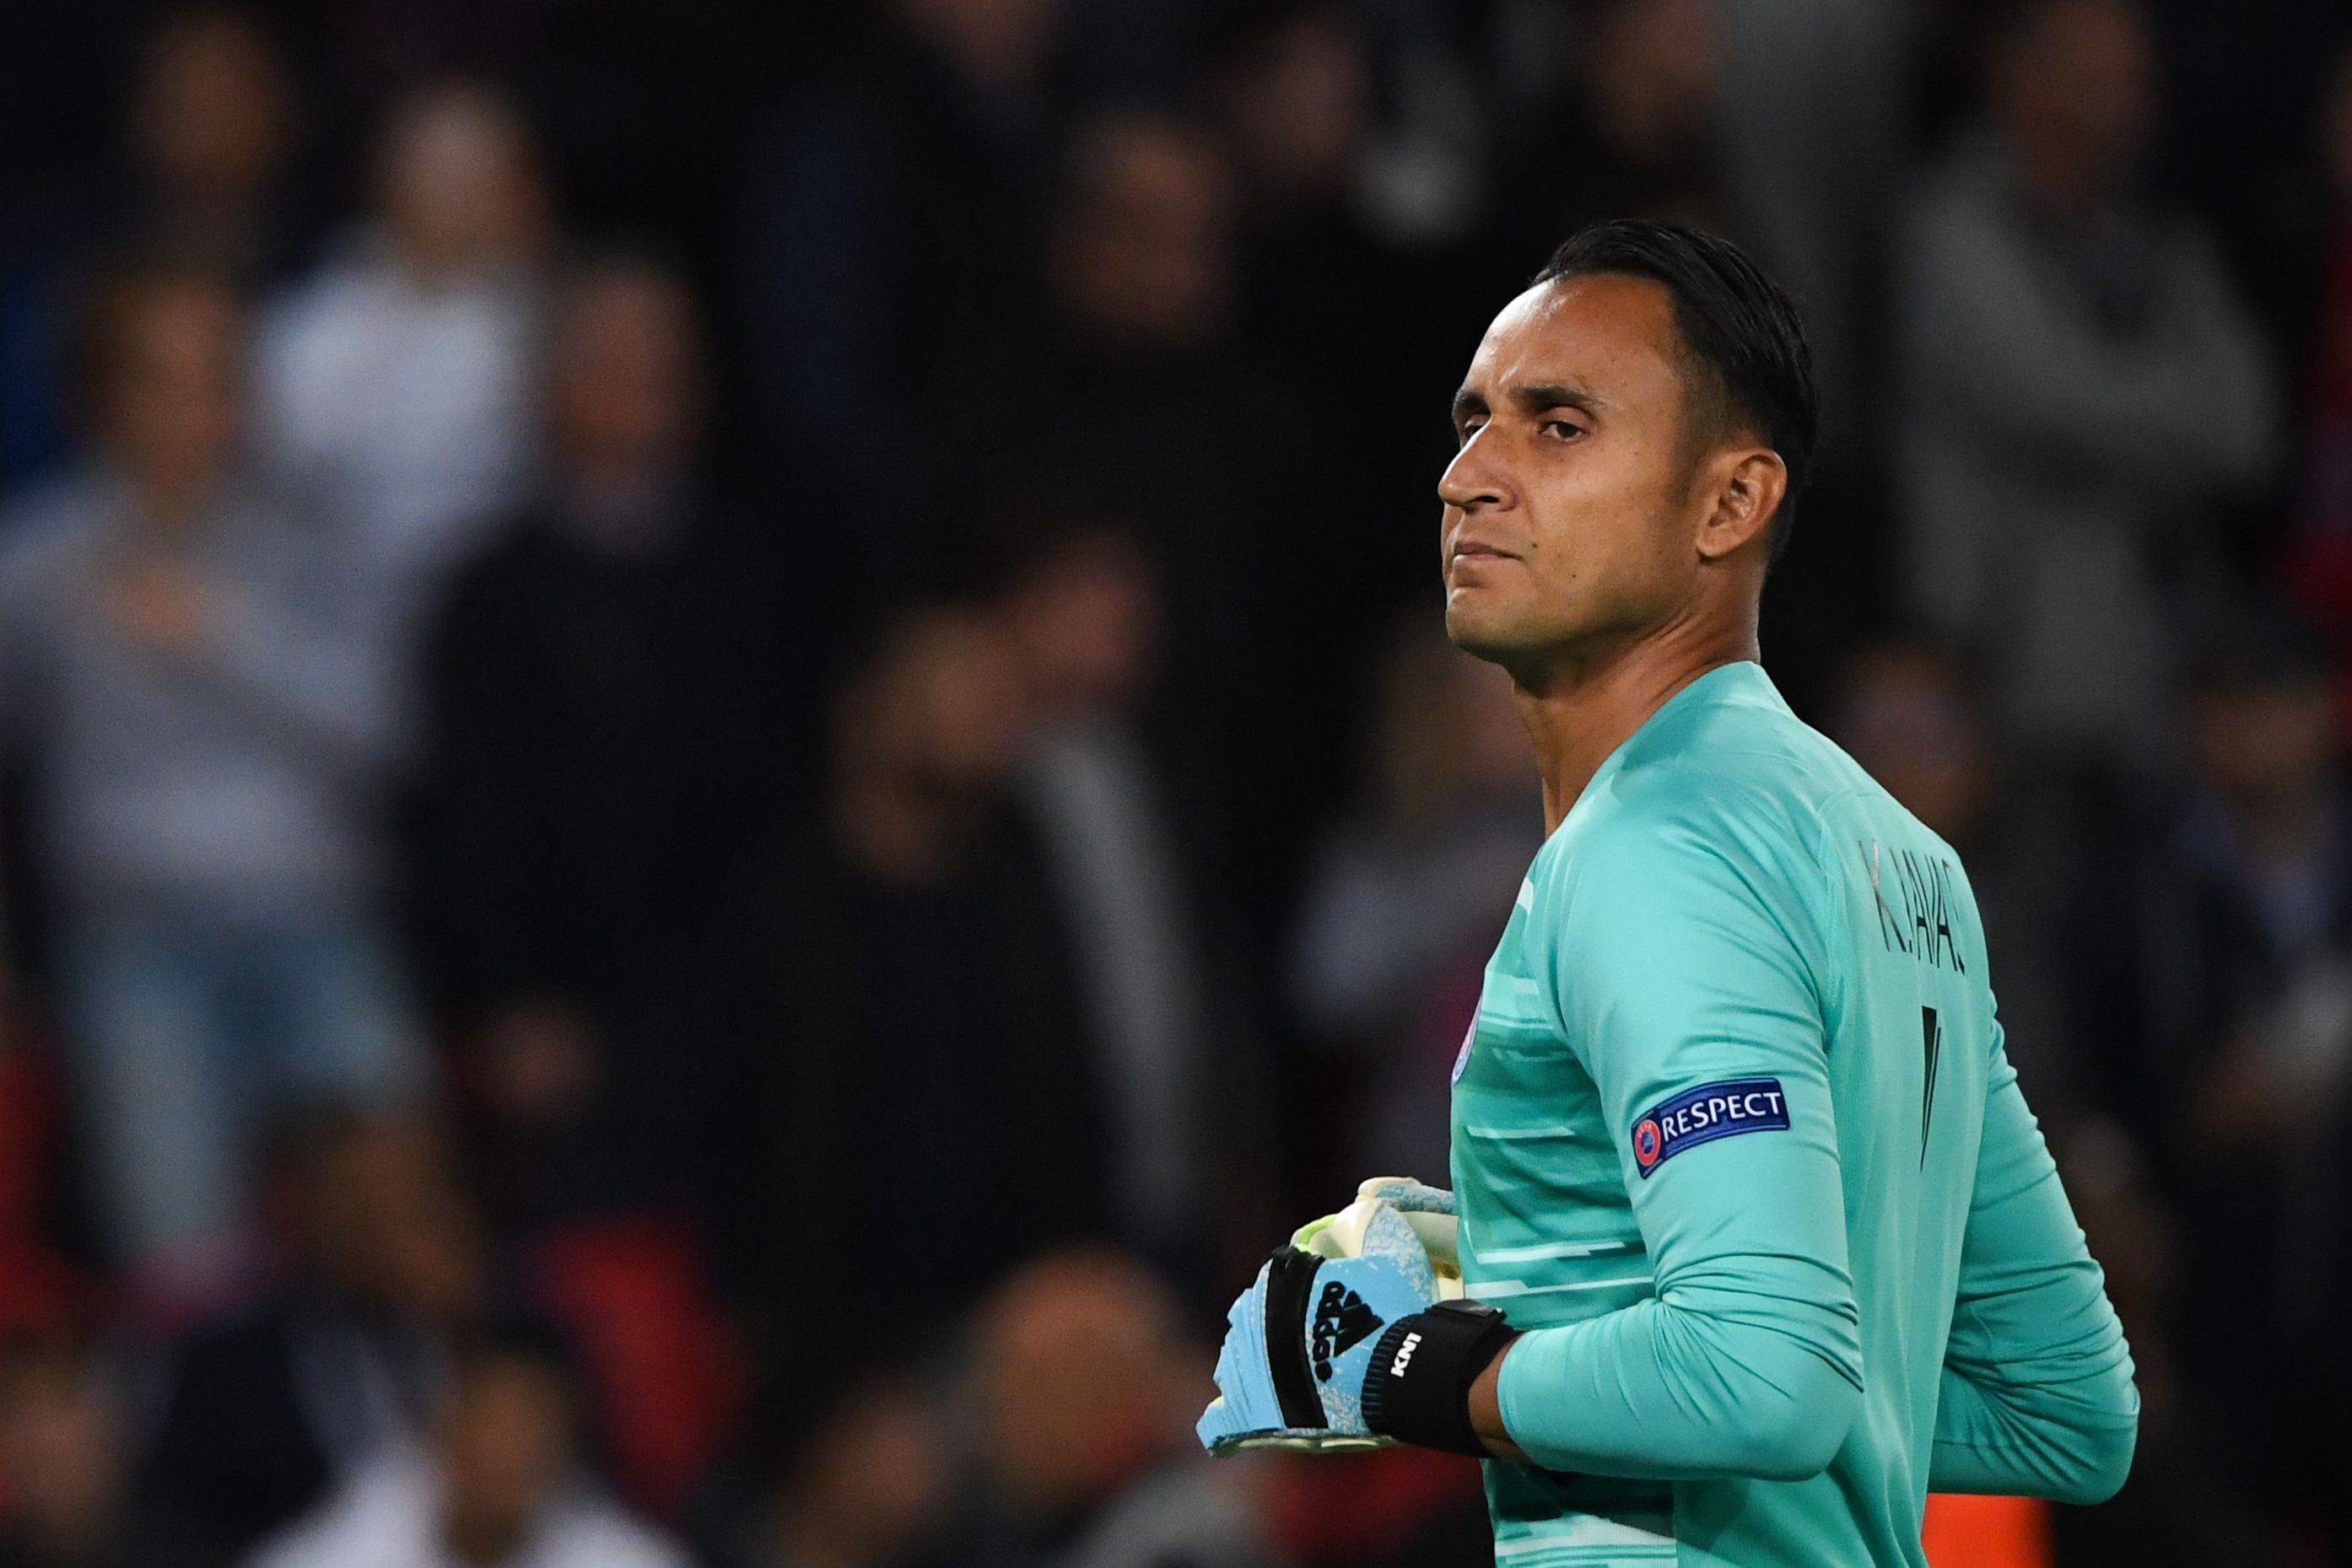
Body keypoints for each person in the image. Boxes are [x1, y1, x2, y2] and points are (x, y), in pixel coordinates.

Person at [1195, 219, 2138, 1563]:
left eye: (1559, 426)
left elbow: (1766, 1376)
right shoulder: (1895, 849)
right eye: (1474, 423)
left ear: (1730, 501)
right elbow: (2063, 1409)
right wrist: (1557, 1293)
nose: (1469, 477)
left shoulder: (1654, 848)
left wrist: (1414, 1366)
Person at [0, 261, 420, 1304]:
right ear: (102, 394)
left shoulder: (309, 543)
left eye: (214, 379)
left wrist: (223, 636)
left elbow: (387, 734)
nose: (191, 411)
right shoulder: (41, 564)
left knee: (398, 1227)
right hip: (136, 942)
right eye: (158, 379)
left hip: (312, 917)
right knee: (184, 1265)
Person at [405, 255, 785, 1226]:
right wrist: (508, 1001)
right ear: (548, 389)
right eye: (610, 365)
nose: (641, 390)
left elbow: (779, 808)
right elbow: (465, 823)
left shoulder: (758, 576)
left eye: (663, 365)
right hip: (556, 1026)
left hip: (746, 999)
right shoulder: (490, 596)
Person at [1896, 0, 2276, 773]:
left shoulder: (2159, 239)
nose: (2135, 92)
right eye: (2100, 71)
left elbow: (2247, 427)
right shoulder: (1950, 233)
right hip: (2005, 694)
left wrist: (2130, 413)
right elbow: (2057, 402)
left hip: (2162, 685)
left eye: (2136, 71)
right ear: (2018, 74)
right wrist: (2173, 413)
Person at [247, 1320, 691, 1568]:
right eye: (501, 1425)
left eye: (540, 1429)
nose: (520, 1453)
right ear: (446, 1429)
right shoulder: (359, 1539)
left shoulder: (616, 1554)